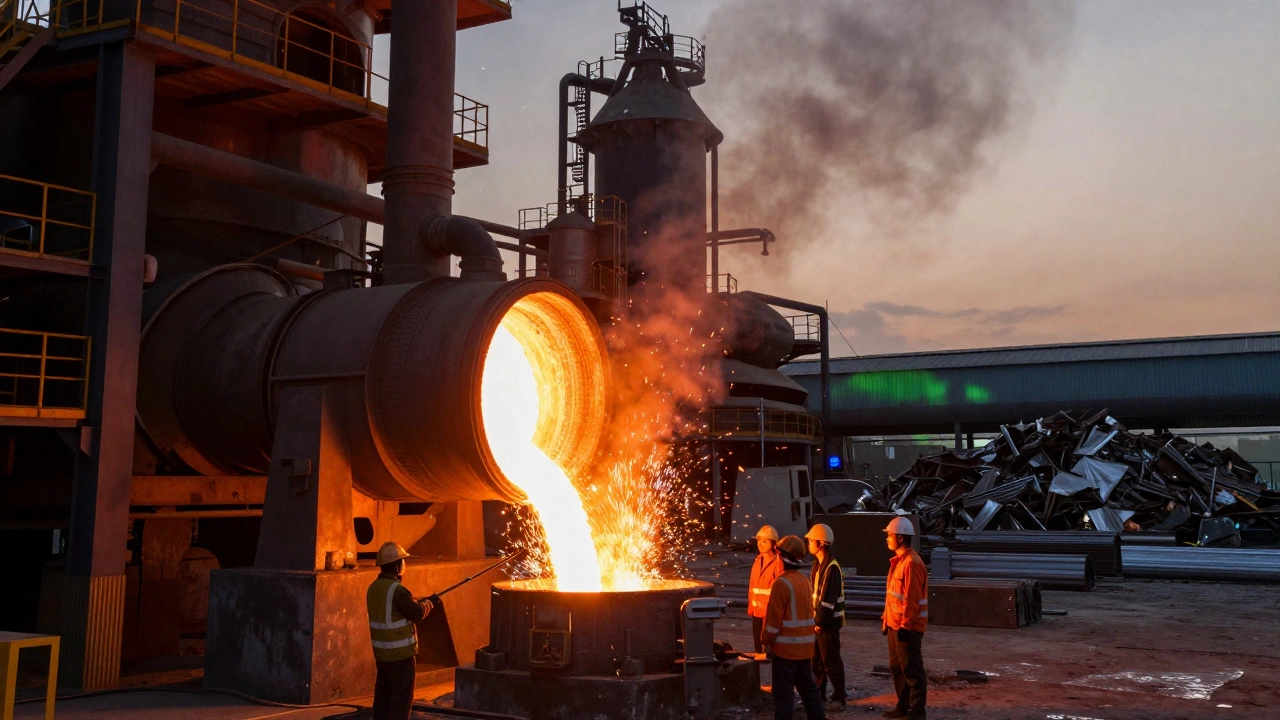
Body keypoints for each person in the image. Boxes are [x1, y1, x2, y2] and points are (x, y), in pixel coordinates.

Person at [367, 542, 439, 720]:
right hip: (401, 658)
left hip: (383, 656)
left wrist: (418, 602)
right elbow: (417, 612)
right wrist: (431, 603)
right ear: (398, 565)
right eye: (403, 562)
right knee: (400, 702)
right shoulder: (397, 590)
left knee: (383, 700)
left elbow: (397, 610)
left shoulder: (373, 588)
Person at [761, 535, 825, 720]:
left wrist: (766, 642)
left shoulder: (781, 584)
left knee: (783, 696)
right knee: (809, 692)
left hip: (785, 652)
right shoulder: (804, 581)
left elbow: (773, 622)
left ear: (782, 558)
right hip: (805, 650)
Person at [881, 518, 928, 720]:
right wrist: (886, 621)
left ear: (900, 538)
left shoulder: (912, 563)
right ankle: (903, 706)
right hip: (894, 625)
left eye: (889, 535)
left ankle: (918, 712)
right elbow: (894, 597)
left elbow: (912, 599)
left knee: (911, 670)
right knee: (897, 668)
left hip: (907, 628)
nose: (887, 539)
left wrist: (906, 627)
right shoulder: (899, 562)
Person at [806, 523, 846, 713]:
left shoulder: (831, 568)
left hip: (828, 625)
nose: (808, 544)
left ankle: (839, 697)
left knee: (831, 661)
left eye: (811, 541)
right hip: (818, 624)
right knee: (817, 663)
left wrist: (820, 622)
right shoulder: (817, 565)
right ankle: (818, 695)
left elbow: (827, 603)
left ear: (821, 543)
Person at [748, 525, 785, 653]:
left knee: (768, 644)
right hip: (757, 612)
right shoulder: (758, 560)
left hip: (770, 613)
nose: (760, 544)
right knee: (758, 645)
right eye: (759, 541)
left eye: (764, 541)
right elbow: (753, 587)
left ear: (774, 543)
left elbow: (781, 589)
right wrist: (751, 609)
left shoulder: (778, 562)